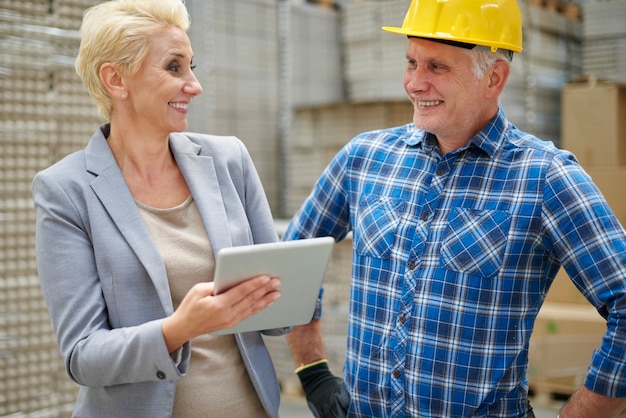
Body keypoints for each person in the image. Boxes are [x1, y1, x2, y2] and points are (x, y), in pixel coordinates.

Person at [283, 0, 626, 417]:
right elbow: (292, 257)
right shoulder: (365, 157)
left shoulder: (544, 178)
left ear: (494, 77)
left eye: (437, 68)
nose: (414, 83)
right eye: (411, 62)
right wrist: (313, 371)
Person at [32, 0, 285, 417]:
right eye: (174, 67)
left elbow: (278, 312)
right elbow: (84, 356)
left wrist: (289, 290)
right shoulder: (65, 190)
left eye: (192, 65)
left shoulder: (229, 160)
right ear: (116, 80)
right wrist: (179, 328)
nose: (194, 85)